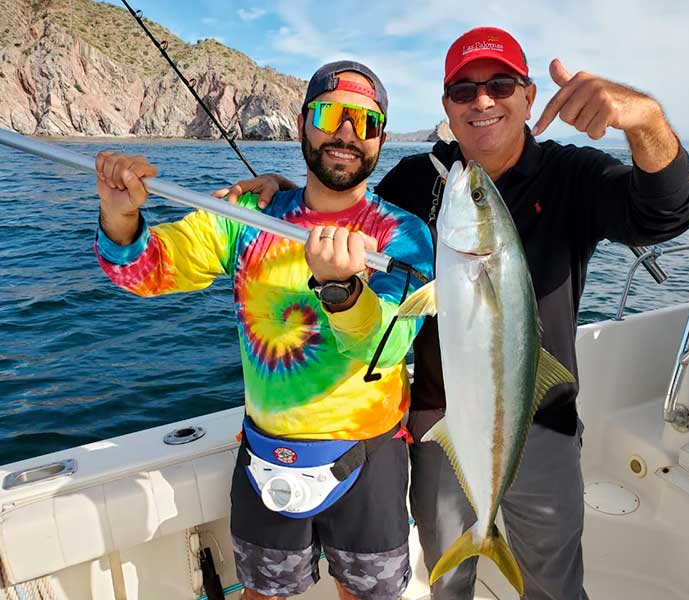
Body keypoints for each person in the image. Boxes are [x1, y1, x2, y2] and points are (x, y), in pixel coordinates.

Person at [214, 27, 689, 600]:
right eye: (463, 91)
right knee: (447, 581)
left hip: (539, 422)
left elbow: (668, 212)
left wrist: (643, 121)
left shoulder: (574, 176)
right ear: (446, 105)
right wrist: (288, 191)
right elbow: (349, 210)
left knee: (554, 584)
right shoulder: (422, 179)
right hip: (437, 423)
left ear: (527, 95)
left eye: (499, 84)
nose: (482, 101)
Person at [94, 61, 434, 600]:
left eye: (364, 123)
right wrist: (120, 220)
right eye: (330, 115)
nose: (346, 133)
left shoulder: (402, 234)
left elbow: (386, 348)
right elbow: (146, 269)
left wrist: (342, 291)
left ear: (381, 140)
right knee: (262, 594)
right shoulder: (248, 212)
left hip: (370, 455)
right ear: (302, 124)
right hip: (267, 453)